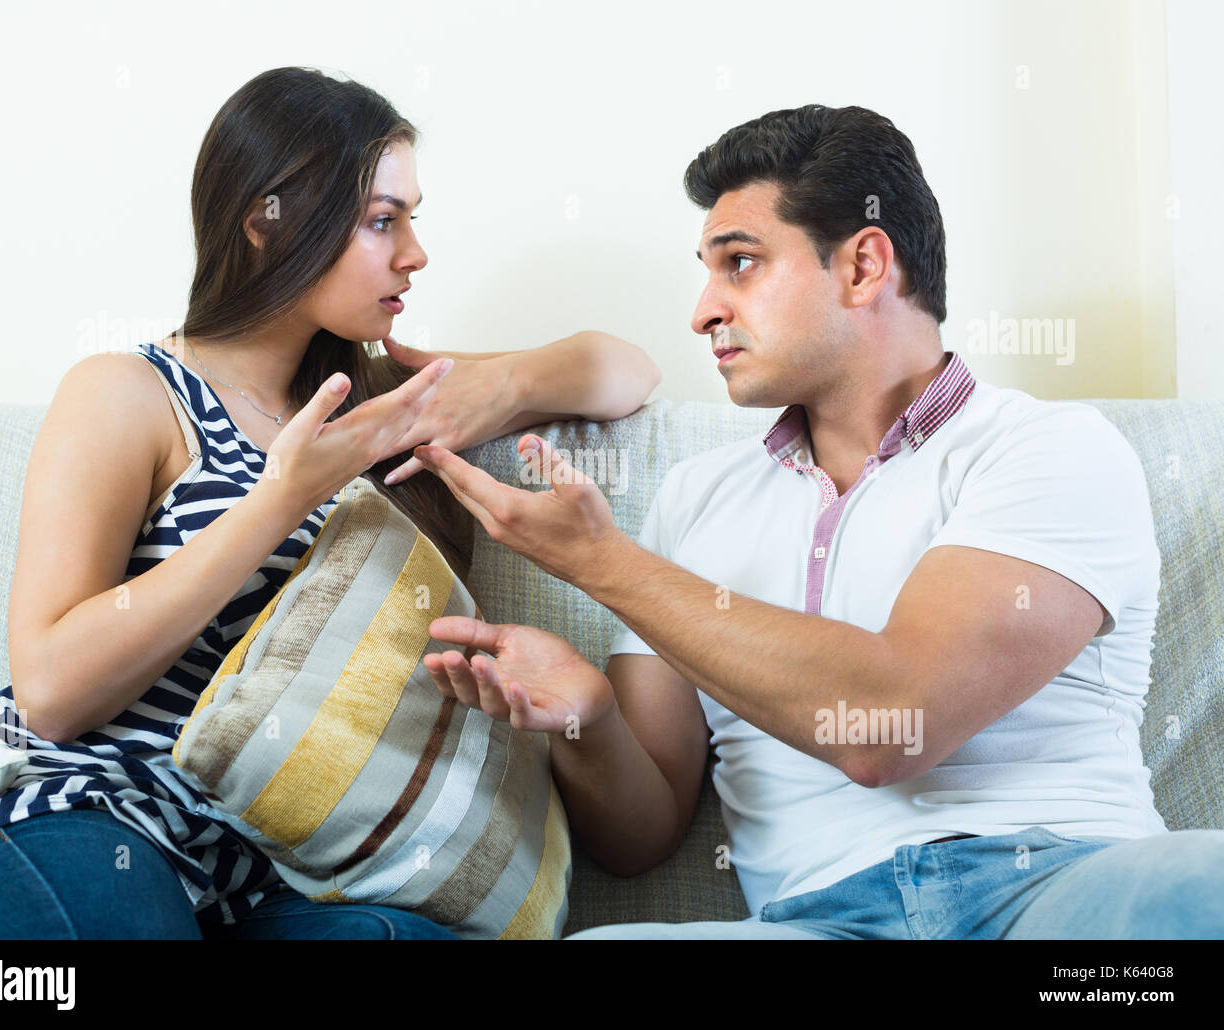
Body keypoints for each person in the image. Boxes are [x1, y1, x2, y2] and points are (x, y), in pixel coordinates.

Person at [410, 104, 1224, 939]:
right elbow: (640, 835)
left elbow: (889, 727)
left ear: (864, 266)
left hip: (1058, 893)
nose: (702, 311)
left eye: (741, 264)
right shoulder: (695, 498)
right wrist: (590, 718)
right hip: (817, 924)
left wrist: (604, 566)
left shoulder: (1050, 449)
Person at [0, 66, 660, 941]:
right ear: (268, 223)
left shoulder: (379, 408)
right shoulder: (132, 394)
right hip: (94, 818)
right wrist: (281, 497)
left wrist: (490, 390)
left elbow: (626, 370)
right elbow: (51, 692)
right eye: (383, 221)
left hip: (277, 876)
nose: (415, 254)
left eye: (412, 219)